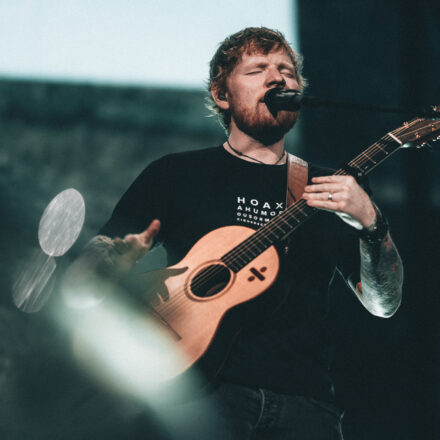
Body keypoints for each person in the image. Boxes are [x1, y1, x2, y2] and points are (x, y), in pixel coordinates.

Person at [66, 27, 403, 439]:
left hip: (307, 406)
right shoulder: (175, 174)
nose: (278, 79)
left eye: (287, 71)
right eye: (258, 69)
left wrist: (373, 224)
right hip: (200, 399)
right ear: (221, 95)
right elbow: (82, 281)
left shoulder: (332, 186)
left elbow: (383, 304)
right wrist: (108, 263)